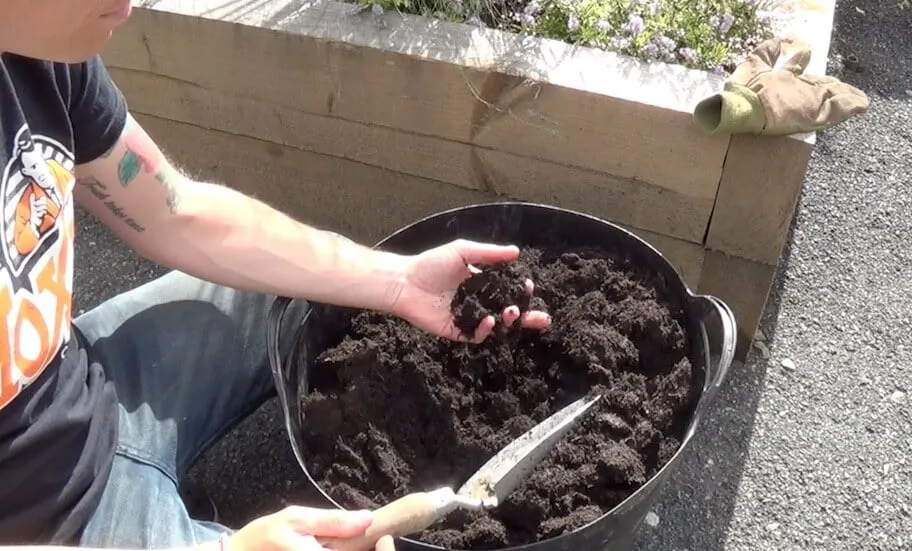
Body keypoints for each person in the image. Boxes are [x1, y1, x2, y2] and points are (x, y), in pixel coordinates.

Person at [0, 1, 552, 551]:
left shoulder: (36, 48)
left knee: (289, 297)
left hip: (78, 394)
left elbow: (174, 211)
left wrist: (398, 281)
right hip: (38, 526)